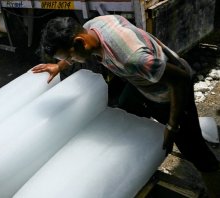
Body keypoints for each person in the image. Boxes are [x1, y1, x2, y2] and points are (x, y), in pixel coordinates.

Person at [32, 15, 219, 197]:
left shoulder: (133, 58)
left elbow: (181, 80)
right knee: (124, 109)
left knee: (197, 153)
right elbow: (77, 51)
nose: (71, 62)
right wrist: (59, 66)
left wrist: (172, 125)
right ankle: (136, 166)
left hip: (167, 94)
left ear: (81, 42)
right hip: (141, 83)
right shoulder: (93, 25)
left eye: (69, 58)